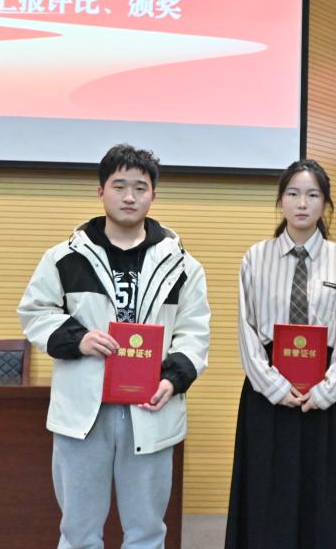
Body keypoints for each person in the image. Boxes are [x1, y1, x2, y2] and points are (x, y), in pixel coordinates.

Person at [18, 144, 211, 549]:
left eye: (139, 188)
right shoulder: (64, 257)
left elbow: (194, 332)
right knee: (78, 531)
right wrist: (79, 338)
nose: (129, 197)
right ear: (101, 191)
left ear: (153, 195)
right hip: (84, 412)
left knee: (146, 530)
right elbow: (35, 312)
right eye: (119, 186)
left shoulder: (182, 264)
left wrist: (172, 380)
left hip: (150, 406)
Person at [225, 159, 336, 549]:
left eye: (313, 195)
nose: (302, 203)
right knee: (267, 492)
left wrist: (326, 391)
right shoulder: (255, 257)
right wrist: (272, 386)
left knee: (324, 495)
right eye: (293, 194)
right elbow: (247, 331)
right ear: (281, 200)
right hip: (267, 392)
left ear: (325, 203)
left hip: (325, 393)